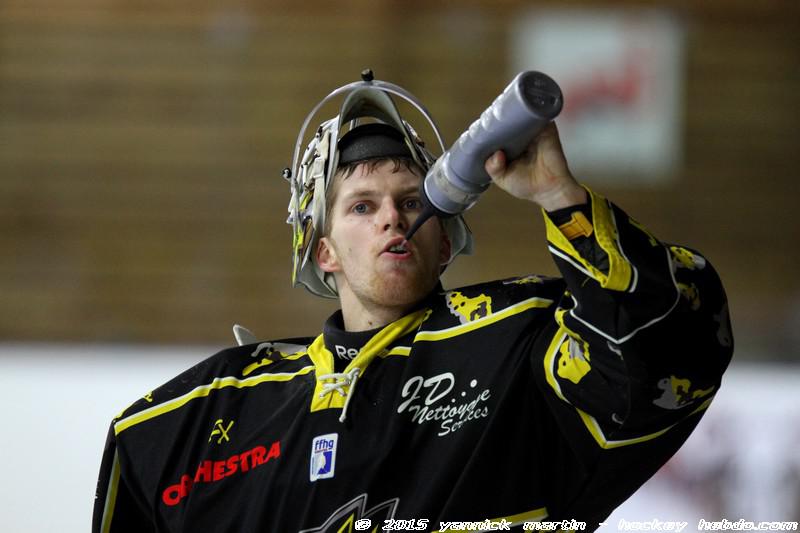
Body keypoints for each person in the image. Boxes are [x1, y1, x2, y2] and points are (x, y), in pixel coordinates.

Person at [93, 72, 733, 533]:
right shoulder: (206, 415)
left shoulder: (520, 342)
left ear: (444, 240)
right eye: (362, 207)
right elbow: (134, 456)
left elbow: (674, 348)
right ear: (323, 252)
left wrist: (560, 197)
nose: (392, 219)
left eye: (410, 202)